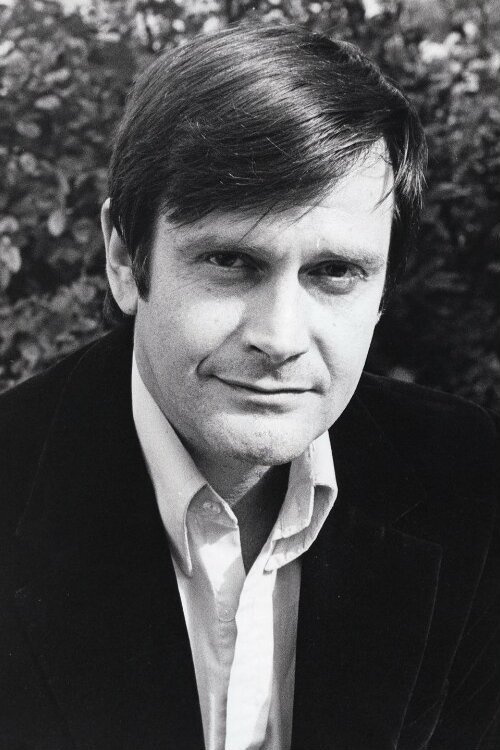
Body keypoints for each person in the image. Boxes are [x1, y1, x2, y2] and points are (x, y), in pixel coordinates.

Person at [0, 24, 498, 750]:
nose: (281, 336)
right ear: (124, 259)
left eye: (335, 272)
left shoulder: (468, 478)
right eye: (231, 262)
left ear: (385, 285)